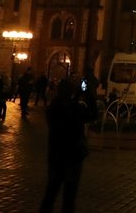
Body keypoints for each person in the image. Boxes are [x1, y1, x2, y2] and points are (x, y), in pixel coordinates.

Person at [38, 77, 98, 213]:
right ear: (72, 91)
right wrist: (88, 93)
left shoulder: (52, 108)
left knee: (50, 194)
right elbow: (93, 115)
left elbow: (67, 106)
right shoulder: (76, 108)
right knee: (69, 197)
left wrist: (75, 96)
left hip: (56, 156)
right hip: (73, 157)